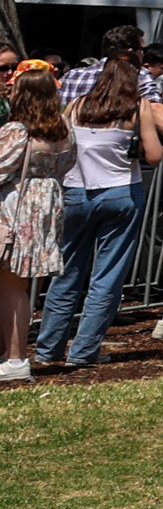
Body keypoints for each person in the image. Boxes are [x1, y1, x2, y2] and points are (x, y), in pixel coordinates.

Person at [41, 43, 163, 374]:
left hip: (75, 192)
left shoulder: (77, 105)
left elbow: (61, 145)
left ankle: (48, 347)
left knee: (66, 273)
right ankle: (83, 350)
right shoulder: (137, 107)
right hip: (119, 192)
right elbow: (155, 156)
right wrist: (133, 151)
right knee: (106, 276)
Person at [0, 61, 64, 376]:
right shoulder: (63, 128)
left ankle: (15, 360)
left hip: (14, 209)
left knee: (11, 287)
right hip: (46, 207)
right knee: (17, 286)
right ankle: (12, 357)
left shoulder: (17, 130)